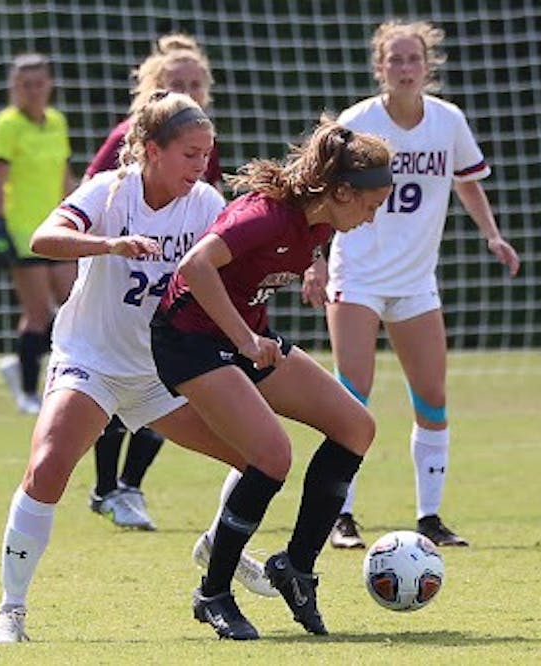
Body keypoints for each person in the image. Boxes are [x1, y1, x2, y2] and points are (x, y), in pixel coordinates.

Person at [0, 91, 273, 645]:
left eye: (207, 154)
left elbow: (246, 254)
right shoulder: (112, 190)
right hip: (91, 360)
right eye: (190, 153)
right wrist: (109, 245)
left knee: (261, 460)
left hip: (162, 371)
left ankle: (217, 543)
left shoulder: (207, 204)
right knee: (47, 468)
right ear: (152, 150)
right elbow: (45, 238)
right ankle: (10, 612)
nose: (201, 165)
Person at [151, 117, 393, 639]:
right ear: (343, 191)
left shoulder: (323, 219)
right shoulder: (263, 216)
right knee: (272, 457)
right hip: (189, 342)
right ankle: (212, 594)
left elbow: (305, 243)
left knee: (356, 427)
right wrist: (242, 339)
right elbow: (195, 266)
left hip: (244, 338)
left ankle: (297, 568)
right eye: (371, 207)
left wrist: (314, 266)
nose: (372, 219)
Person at [301, 20, 521, 550]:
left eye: (412, 59)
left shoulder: (447, 121)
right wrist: (315, 261)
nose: (404, 68)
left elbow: (467, 183)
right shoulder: (358, 123)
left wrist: (492, 235)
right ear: (380, 67)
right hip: (357, 273)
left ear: (428, 66)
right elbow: (315, 193)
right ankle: (341, 516)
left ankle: (430, 517)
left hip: (415, 279)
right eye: (394, 59)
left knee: (433, 396)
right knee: (352, 396)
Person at [82, 34, 221, 531]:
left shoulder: (203, 146)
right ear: (152, 88)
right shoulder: (128, 143)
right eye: (173, 83)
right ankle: (106, 487)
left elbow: (215, 220)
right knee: (114, 390)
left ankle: (128, 487)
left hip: (172, 293)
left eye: (193, 83)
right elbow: (91, 198)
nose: (185, 90)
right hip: (119, 293)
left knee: (172, 385)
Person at [0, 53, 78, 415]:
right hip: (23, 231)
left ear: (49, 85)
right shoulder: (6, 126)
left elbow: (63, 175)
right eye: (26, 85)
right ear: (15, 88)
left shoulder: (56, 122)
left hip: (57, 227)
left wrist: (83, 209)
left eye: (40, 83)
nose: (34, 91)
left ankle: (22, 363)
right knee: (38, 312)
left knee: (73, 307)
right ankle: (26, 391)